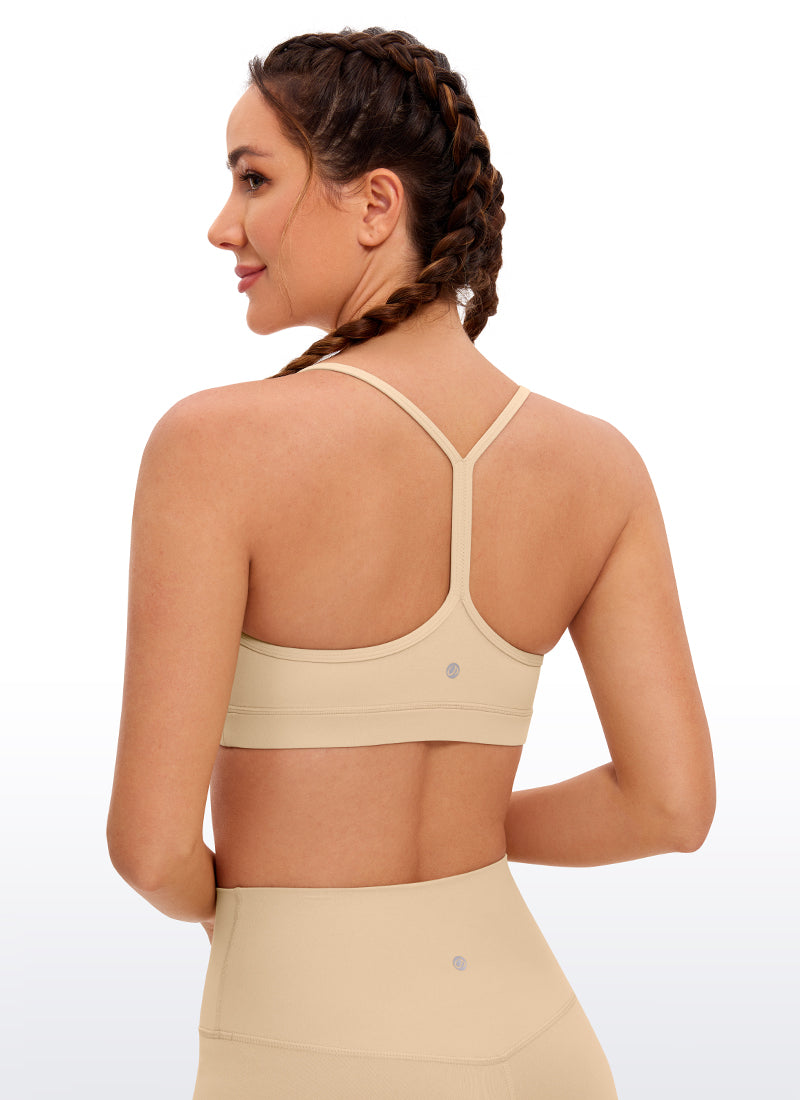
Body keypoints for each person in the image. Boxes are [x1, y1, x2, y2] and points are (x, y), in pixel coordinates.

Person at [106, 27, 715, 1098]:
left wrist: (270, 910)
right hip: (541, 1040)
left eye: (254, 178)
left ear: (375, 205)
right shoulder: (598, 466)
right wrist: (467, 832)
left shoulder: (215, 447)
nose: (222, 224)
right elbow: (668, 805)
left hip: (308, 1049)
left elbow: (151, 850)